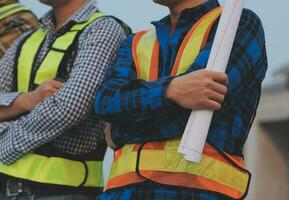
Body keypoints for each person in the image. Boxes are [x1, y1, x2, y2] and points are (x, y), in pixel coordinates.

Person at [95, 0, 268, 199]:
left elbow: (195, 116)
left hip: (194, 193)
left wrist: (119, 132)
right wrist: (170, 92)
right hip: (121, 193)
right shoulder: (135, 42)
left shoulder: (237, 24)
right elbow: (104, 101)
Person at [0, 0, 127, 199]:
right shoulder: (28, 37)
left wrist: (4, 142)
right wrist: (25, 100)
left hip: (65, 191)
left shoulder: (103, 30)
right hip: (7, 185)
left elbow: (69, 107)